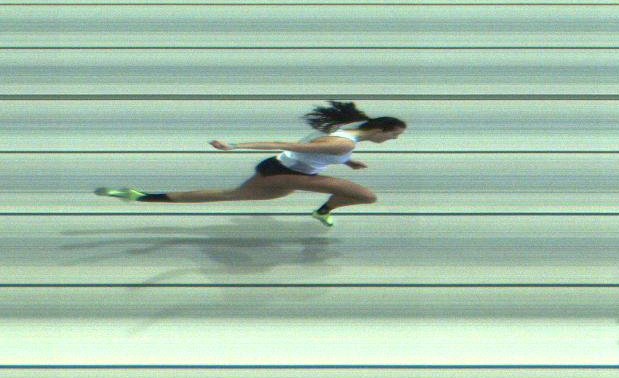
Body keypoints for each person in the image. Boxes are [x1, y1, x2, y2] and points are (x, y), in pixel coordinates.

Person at [94, 101, 406, 227]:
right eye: (394, 135)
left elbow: (321, 150)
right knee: (366, 196)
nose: (394, 139)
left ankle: (141, 196)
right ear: (381, 129)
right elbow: (285, 144)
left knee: (229, 195)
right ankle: (323, 211)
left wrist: (349, 163)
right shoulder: (343, 142)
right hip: (287, 173)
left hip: (278, 171)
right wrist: (233, 145)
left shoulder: (348, 132)